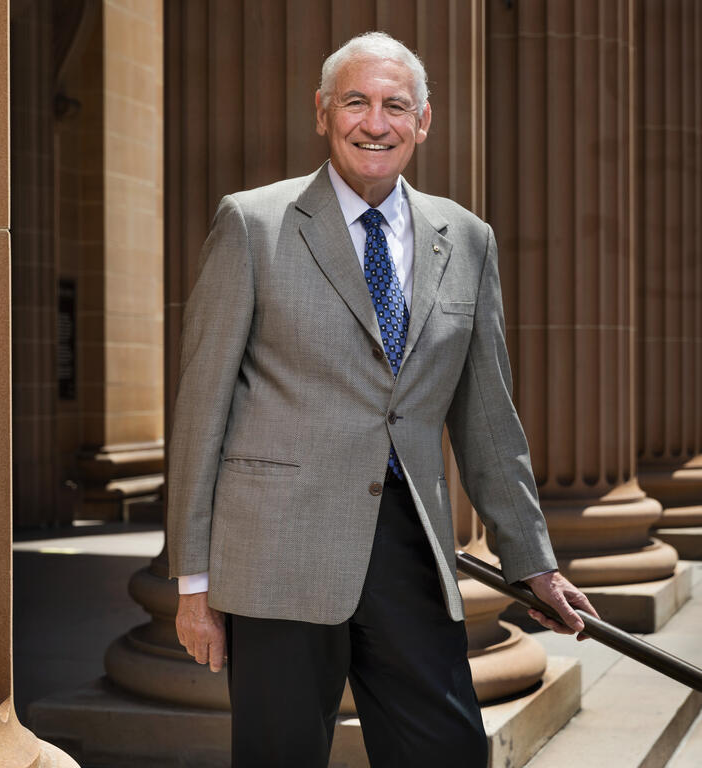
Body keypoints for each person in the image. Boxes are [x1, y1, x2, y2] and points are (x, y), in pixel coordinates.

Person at [166, 31, 596, 768]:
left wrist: (533, 560)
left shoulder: (467, 239)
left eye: (395, 106)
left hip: (408, 546)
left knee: (448, 750)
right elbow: (201, 412)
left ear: (423, 121)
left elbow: (490, 421)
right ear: (323, 112)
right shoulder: (254, 223)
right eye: (356, 102)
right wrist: (194, 582)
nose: (375, 123)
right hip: (277, 554)